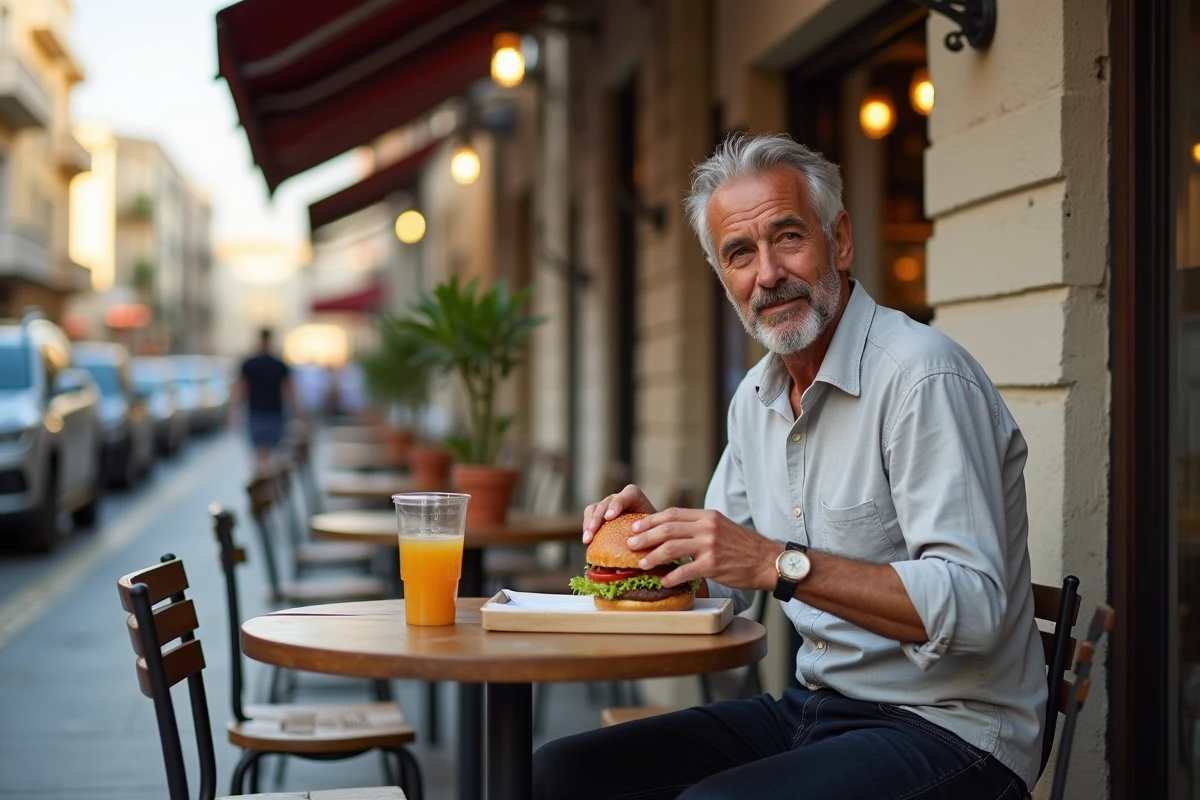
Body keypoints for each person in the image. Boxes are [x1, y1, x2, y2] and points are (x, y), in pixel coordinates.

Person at [533, 133, 1045, 799]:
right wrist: (657, 548)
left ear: (840, 240)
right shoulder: (755, 399)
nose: (768, 273)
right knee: (562, 773)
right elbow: (722, 589)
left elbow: (974, 610)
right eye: (740, 254)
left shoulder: (922, 378)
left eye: (788, 237)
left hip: (953, 730)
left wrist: (779, 561)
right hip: (817, 707)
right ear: (724, 281)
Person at [233, 328, 293, 472]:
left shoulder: (249, 364)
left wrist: (234, 414)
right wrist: (295, 412)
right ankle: (267, 486)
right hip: (273, 414)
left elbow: (240, 391)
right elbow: (289, 391)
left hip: (257, 414)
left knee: (259, 456)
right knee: (272, 455)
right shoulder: (278, 364)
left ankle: (262, 484)